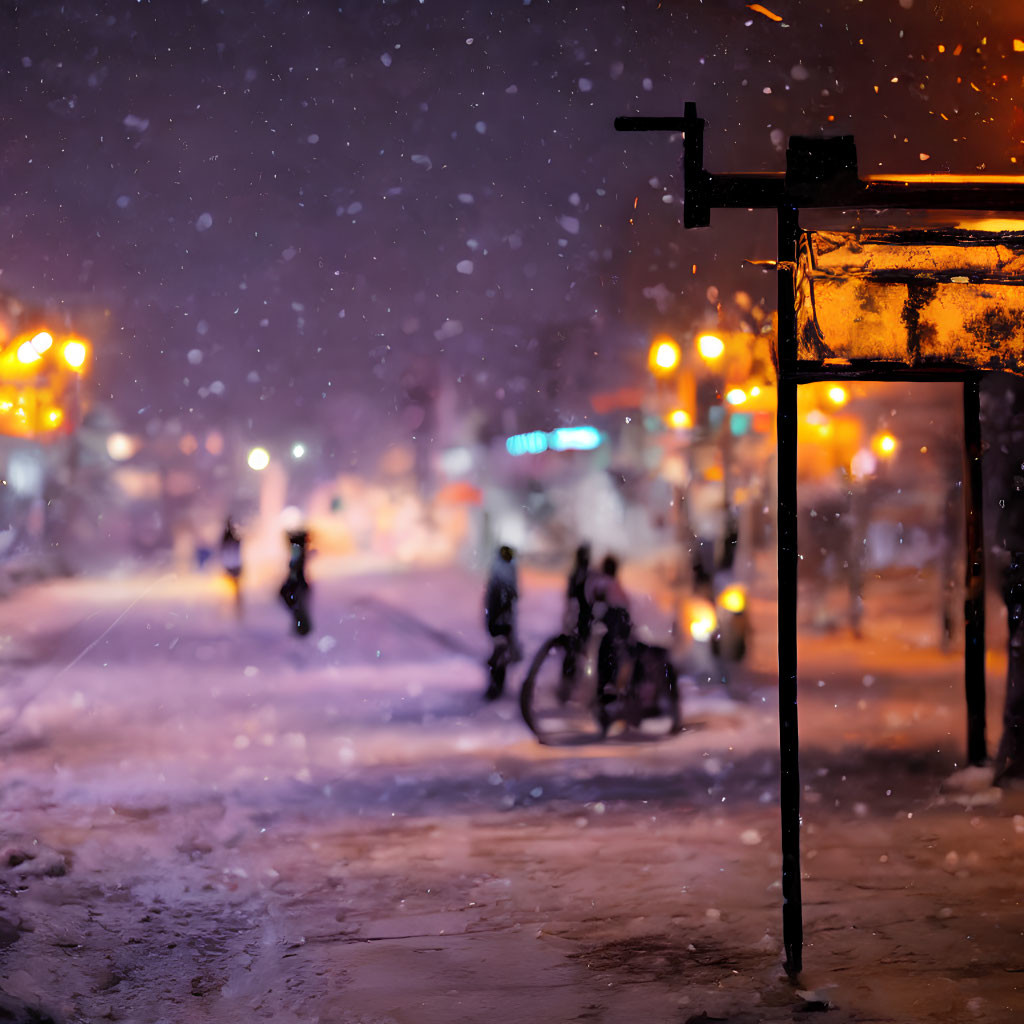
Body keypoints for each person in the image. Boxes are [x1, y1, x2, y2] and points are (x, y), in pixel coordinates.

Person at [587, 554, 632, 733]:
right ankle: (610, 713)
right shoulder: (612, 586)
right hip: (614, 640)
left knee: (603, 677)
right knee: (613, 677)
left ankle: (603, 714)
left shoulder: (597, 585)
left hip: (604, 638)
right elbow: (624, 610)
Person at [483, 544, 519, 700]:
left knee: (499, 654)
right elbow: (503, 600)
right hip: (502, 622)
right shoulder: (505, 573)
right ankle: (496, 686)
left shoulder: (499, 572)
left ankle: (496, 685)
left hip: (499, 621)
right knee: (500, 654)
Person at [560, 543, 592, 684]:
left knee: (573, 647)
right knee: (577, 647)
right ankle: (572, 677)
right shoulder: (583, 574)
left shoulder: (578, 574)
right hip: (581, 614)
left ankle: (570, 676)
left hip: (578, 614)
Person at [279, 529, 313, 636]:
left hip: (295, 583)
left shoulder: (297, 605)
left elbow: (296, 564)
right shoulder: (297, 606)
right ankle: (298, 541)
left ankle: (297, 542)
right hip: (296, 583)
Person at [219, 517, 243, 617]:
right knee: (235, 589)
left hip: (230, 565)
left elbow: (223, 550)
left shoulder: (225, 538)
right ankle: (235, 608)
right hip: (235, 565)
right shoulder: (235, 538)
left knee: (230, 589)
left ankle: (231, 609)